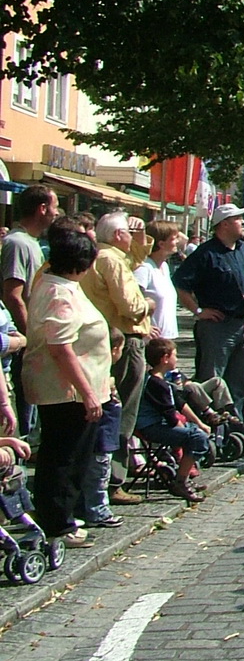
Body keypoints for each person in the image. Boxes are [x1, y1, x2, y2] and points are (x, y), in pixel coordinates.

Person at [20, 225, 109, 547]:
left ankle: (62, 515)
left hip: (72, 386)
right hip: (65, 390)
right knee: (65, 458)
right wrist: (87, 393)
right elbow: (60, 347)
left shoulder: (56, 283)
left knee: (67, 455)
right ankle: (58, 522)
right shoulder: (61, 293)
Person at [81, 211, 153, 500]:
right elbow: (130, 305)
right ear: (117, 235)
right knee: (122, 410)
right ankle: (114, 479)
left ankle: (105, 477)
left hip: (106, 338)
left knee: (110, 407)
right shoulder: (111, 259)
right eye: (129, 232)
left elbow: (137, 259)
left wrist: (139, 236)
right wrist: (148, 305)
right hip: (124, 338)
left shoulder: (102, 255)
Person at [173, 203, 244, 424]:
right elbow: (181, 285)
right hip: (218, 327)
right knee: (212, 379)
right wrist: (198, 311)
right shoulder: (206, 253)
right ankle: (210, 427)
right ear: (223, 224)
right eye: (237, 219)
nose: (242, 222)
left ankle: (238, 427)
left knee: (242, 382)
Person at [1, 184, 58, 436]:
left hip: (31, 337)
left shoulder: (31, 242)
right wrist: (29, 337)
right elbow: (13, 295)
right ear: (42, 208)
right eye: (54, 207)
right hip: (22, 341)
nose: (57, 213)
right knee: (24, 413)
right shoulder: (17, 243)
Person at [135, 338, 211, 505]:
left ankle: (183, 476)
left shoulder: (165, 382)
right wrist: (189, 429)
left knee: (197, 432)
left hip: (161, 424)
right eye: (175, 355)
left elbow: (180, 404)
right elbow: (169, 415)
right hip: (151, 427)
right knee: (197, 438)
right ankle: (181, 481)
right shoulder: (155, 384)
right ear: (165, 358)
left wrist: (199, 423)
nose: (177, 359)